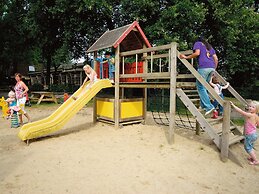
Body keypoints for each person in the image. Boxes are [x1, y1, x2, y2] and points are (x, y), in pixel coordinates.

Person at [179, 36, 218, 116]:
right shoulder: (210, 47)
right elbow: (216, 59)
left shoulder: (198, 43)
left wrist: (186, 57)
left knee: (200, 87)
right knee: (205, 87)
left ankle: (209, 107)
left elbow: (197, 53)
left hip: (203, 67)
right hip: (211, 68)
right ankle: (204, 105)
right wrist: (214, 69)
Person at [230, 101, 259, 165]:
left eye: (253, 107)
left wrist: (233, 105)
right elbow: (257, 124)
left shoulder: (250, 115)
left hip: (250, 135)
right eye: (250, 106)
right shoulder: (256, 116)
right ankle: (252, 157)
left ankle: (256, 160)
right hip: (254, 134)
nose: (250, 107)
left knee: (247, 148)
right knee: (250, 146)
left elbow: (241, 112)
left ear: (256, 109)